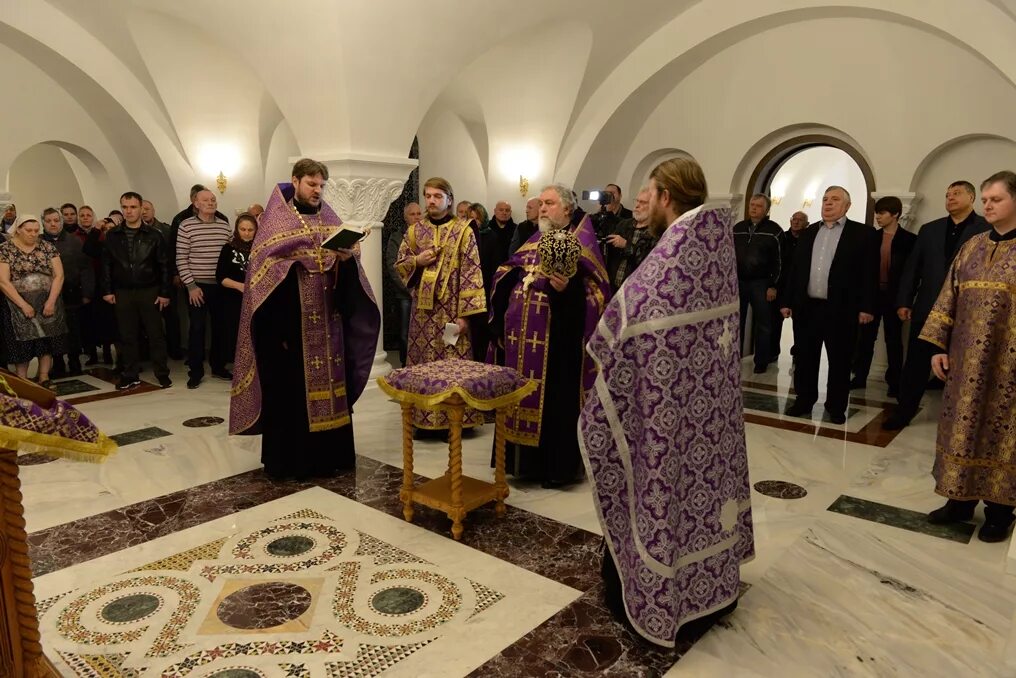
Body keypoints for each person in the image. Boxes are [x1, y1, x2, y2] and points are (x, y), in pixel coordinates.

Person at [580, 156, 753, 647]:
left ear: (666, 197)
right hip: (706, 403)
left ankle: (661, 593)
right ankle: (712, 586)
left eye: (648, 194)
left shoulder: (676, 251)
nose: (644, 203)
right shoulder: (715, 241)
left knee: (662, 480)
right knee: (700, 488)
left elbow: (624, 317)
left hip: (669, 407)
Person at [230, 158, 380, 480]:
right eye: (312, 184)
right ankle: (296, 463)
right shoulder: (277, 222)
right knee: (291, 395)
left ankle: (332, 457)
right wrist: (297, 262)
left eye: (321, 185)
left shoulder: (329, 216)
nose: (317, 190)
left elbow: (349, 262)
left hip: (329, 322)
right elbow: (263, 274)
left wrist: (344, 259)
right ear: (295, 181)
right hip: (291, 328)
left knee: (333, 389)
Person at [489, 184, 610, 488]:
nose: (543, 208)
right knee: (519, 395)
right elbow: (509, 271)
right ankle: (523, 466)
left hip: (558, 346)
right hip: (521, 342)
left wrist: (565, 291)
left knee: (555, 402)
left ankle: (554, 469)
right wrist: (499, 317)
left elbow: (597, 295)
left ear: (567, 209)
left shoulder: (581, 245)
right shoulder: (534, 240)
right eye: (541, 203)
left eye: (550, 203)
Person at [921, 171, 1016, 543]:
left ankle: (1000, 510)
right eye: (986, 199)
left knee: (1003, 435)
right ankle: (958, 501)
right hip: (963, 364)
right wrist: (938, 347)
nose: (989, 205)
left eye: (998, 199)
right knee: (961, 430)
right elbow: (949, 297)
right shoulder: (972, 246)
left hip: (1008, 369)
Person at [883, 181, 990, 430]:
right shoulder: (930, 230)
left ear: (971, 197)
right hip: (929, 308)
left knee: (965, 365)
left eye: (956, 193)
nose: (950, 197)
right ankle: (904, 411)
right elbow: (913, 268)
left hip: (968, 313)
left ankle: (964, 421)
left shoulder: (986, 229)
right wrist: (904, 301)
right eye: (947, 194)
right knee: (916, 364)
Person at [395, 177, 487, 433]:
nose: (431, 201)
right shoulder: (415, 231)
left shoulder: (464, 230)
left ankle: (457, 422)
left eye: (437, 196)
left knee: (452, 364)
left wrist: (466, 316)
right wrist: (417, 261)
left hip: (452, 311)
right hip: (422, 315)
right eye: (428, 196)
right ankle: (423, 421)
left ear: (449, 198)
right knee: (423, 366)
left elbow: (472, 271)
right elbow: (400, 264)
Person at [779, 186, 877, 425]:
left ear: (847, 206)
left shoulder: (863, 234)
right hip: (807, 308)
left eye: (835, 200)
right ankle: (804, 400)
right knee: (805, 358)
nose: (828, 204)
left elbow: (869, 274)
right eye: (825, 199)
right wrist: (787, 301)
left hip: (842, 309)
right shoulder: (809, 232)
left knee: (840, 361)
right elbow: (795, 270)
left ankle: (836, 407)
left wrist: (867, 307)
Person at [100, 192, 172, 390]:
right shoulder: (112, 235)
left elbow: (164, 266)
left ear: (141, 208)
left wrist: (165, 292)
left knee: (155, 334)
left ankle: (162, 373)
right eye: (125, 207)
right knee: (127, 335)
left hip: (149, 290)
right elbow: (106, 264)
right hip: (123, 291)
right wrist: (107, 290)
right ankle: (130, 374)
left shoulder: (154, 235)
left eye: (133, 207)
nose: (129, 211)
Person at [850, 196, 916, 396]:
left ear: (895, 214)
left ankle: (895, 382)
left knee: (894, 340)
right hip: (872, 295)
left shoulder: (909, 240)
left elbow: (911, 273)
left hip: (895, 297)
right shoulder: (871, 237)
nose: (877, 216)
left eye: (882, 213)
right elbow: (862, 270)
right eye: (876, 213)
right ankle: (860, 376)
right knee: (865, 339)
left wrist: (906, 301)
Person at [0, 215, 68, 385]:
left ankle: (44, 376)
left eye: (36, 231)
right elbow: (3, 281)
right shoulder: (5, 249)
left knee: (47, 339)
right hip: (16, 303)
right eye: (28, 230)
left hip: (47, 301)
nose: (33, 234)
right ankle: (22, 381)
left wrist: (51, 301)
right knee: (21, 342)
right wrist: (23, 305)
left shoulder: (47, 247)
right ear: (18, 230)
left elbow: (59, 275)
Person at [176, 189, 233, 388]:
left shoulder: (225, 226)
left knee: (221, 328)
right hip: (197, 286)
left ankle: (218, 366)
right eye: (205, 200)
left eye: (213, 200)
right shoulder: (186, 226)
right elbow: (181, 258)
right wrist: (191, 286)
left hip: (220, 286)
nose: (210, 203)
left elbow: (230, 257)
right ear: (196, 203)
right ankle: (196, 371)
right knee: (197, 328)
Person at [733, 194, 783, 374]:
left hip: (762, 283)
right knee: (736, 323)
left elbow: (780, 261)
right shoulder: (738, 228)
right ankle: (734, 359)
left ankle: (761, 361)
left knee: (764, 324)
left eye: (759, 206)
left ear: (766, 209)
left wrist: (773, 285)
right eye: (752, 205)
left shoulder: (774, 230)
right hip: (739, 282)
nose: (754, 208)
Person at [41, 207, 92, 378]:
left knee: (73, 330)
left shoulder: (74, 241)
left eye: (56, 220)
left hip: (72, 292)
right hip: (48, 296)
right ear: (43, 222)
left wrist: (87, 292)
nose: (53, 224)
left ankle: (75, 361)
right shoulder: (39, 243)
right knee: (53, 330)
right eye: (49, 221)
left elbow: (85, 268)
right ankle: (58, 363)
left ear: (61, 221)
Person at [215, 213, 257, 368]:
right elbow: (220, 276)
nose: (246, 233)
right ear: (237, 229)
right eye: (243, 229)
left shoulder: (260, 249)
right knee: (234, 332)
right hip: (233, 298)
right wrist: (240, 286)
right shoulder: (228, 248)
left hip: (255, 298)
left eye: (250, 230)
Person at [385, 202, 420, 366]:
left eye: (419, 213)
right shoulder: (397, 237)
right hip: (405, 294)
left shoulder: (427, 234)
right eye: (413, 214)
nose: (417, 217)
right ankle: (405, 366)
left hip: (424, 292)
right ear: (406, 218)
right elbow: (393, 265)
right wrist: (408, 288)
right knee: (405, 332)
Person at [771, 210, 808, 362]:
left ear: (806, 224)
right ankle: (772, 352)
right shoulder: (782, 238)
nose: (796, 222)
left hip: (799, 287)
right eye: (794, 219)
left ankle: (798, 354)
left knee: (800, 325)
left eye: (800, 220)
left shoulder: (808, 240)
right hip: (780, 285)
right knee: (774, 322)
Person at [604, 187, 657, 290]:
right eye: (637, 201)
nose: (637, 205)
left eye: (643, 202)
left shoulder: (656, 231)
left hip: (636, 289)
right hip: (613, 287)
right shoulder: (624, 224)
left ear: (653, 207)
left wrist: (626, 245)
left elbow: (648, 262)